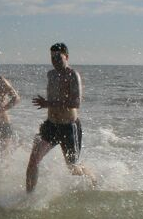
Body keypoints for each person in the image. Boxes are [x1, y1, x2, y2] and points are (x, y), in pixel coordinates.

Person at [25, 43, 96, 193]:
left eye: (58, 57)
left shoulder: (73, 75)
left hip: (69, 127)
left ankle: (92, 178)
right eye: (52, 58)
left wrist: (48, 103)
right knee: (33, 161)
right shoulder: (50, 74)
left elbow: (76, 103)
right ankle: (28, 196)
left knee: (72, 167)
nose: (55, 61)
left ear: (67, 57)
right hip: (51, 125)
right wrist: (48, 104)